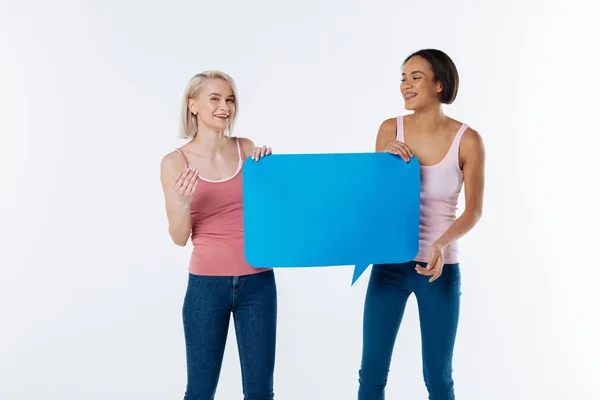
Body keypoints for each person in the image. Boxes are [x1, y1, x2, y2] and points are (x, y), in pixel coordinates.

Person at [357, 49, 485, 400]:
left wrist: (441, 244)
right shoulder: (390, 129)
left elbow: (473, 210)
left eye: (415, 77)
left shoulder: (468, 140)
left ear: (439, 85)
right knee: (371, 375)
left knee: (439, 378)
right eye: (402, 77)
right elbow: (375, 203)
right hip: (388, 264)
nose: (405, 85)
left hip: (438, 269)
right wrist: (385, 167)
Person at [160, 70, 276, 400]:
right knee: (200, 390)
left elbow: (271, 214)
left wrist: (269, 174)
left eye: (229, 99)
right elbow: (179, 237)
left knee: (260, 392)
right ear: (192, 105)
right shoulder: (174, 162)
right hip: (206, 287)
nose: (225, 106)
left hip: (259, 282)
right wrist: (183, 203)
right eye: (215, 99)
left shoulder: (247, 149)